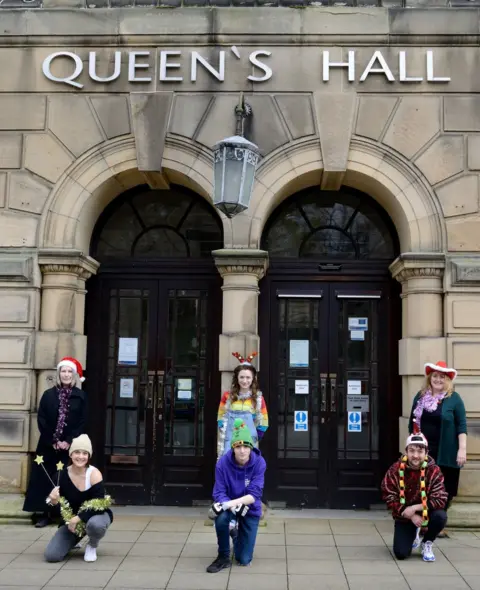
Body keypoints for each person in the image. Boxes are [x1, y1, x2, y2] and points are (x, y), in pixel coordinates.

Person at [23, 357, 88, 528]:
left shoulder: (80, 396)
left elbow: (82, 421)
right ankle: (45, 513)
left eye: (69, 372)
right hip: (48, 445)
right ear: (59, 374)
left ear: (74, 375)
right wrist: (53, 440)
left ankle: (65, 514)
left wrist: (68, 441)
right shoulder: (48, 395)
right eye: (63, 371)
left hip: (69, 447)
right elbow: (42, 419)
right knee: (45, 478)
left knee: (66, 479)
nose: (66, 374)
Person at [409, 360, 467, 535]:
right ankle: (423, 522)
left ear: (447, 380)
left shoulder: (454, 399)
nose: (438, 379)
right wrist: (412, 446)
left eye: (442, 377)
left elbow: (461, 425)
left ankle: (438, 522)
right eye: (435, 376)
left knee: (444, 488)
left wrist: (462, 449)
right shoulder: (420, 397)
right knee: (422, 487)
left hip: (447, 452)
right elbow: (412, 422)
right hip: (424, 451)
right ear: (430, 378)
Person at [207, 418, 266, 573]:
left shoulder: (260, 463)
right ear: (232, 447)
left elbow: (255, 494)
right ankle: (223, 556)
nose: (242, 450)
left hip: (249, 508)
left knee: (244, 559)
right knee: (220, 518)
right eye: (238, 446)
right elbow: (219, 491)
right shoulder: (222, 464)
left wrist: (231, 504)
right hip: (229, 505)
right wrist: (229, 506)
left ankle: (235, 534)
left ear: (251, 447)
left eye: (246, 446)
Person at [44, 434, 113, 563]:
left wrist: (79, 518)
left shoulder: (94, 474)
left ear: (89, 456)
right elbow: (53, 509)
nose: (80, 457)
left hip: (95, 516)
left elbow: (100, 504)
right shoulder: (60, 476)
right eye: (77, 452)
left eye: (84, 453)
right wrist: (53, 501)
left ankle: (92, 545)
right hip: (72, 523)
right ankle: (74, 540)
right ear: (70, 454)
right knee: (52, 556)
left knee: (95, 525)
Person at [381, 433, 448, 562]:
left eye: (420, 451)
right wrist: (411, 514)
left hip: (427, 511)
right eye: (411, 451)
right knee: (401, 553)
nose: (415, 456)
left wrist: (415, 508)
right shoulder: (395, 470)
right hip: (405, 513)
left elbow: (440, 499)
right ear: (406, 451)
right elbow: (388, 496)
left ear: (426, 452)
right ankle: (413, 533)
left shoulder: (434, 470)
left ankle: (426, 542)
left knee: (441, 516)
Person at [217, 352, 269, 457]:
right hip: (229, 440)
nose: (245, 381)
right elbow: (221, 416)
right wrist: (223, 431)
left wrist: (256, 436)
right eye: (241, 377)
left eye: (248, 377)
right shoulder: (228, 396)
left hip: (249, 440)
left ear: (253, 379)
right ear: (237, 378)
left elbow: (264, 420)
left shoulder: (258, 398)